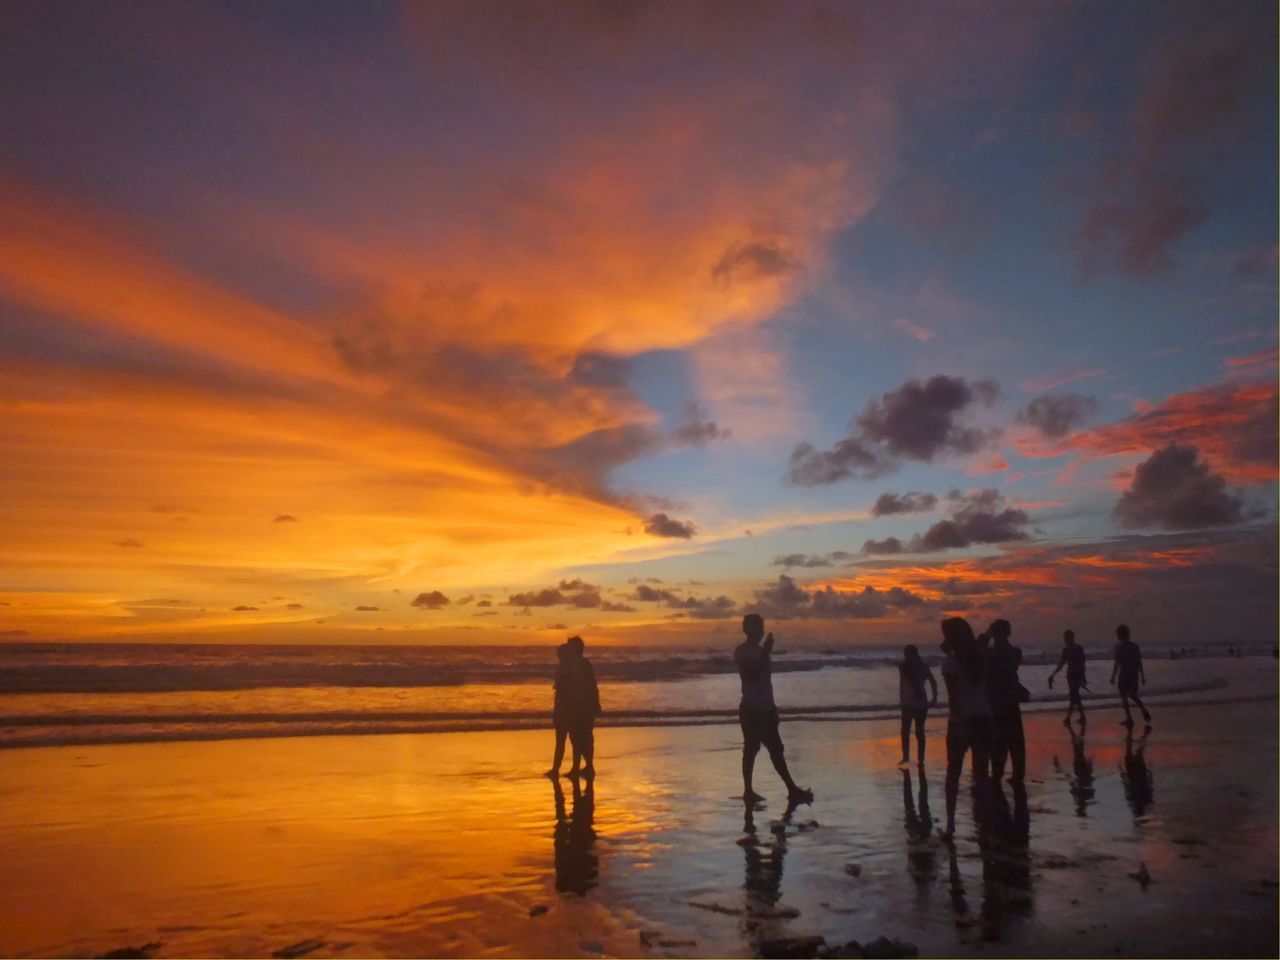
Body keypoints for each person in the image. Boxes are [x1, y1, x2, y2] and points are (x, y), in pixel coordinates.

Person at [734, 613, 813, 806]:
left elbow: (764, 683)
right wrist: (766, 652)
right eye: (756, 628)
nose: (760, 631)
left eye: (761, 627)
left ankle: (791, 789)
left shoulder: (760, 651)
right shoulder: (743, 651)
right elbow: (750, 675)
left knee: (776, 751)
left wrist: (773, 707)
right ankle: (749, 791)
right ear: (746, 630)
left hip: (765, 708)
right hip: (752, 710)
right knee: (752, 750)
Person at [939, 617, 992, 841]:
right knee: (981, 775)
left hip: (962, 720)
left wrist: (959, 723)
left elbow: (955, 698)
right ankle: (986, 824)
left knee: (954, 774)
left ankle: (951, 825)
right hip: (983, 717)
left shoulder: (951, 663)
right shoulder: (980, 658)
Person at [985, 619, 1026, 784]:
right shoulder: (1016, 652)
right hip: (1009, 698)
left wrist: (987, 635)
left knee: (998, 741)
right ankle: (1018, 774)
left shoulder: (989, 654)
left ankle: (997, 774)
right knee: (1015, 739)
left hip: (995, 699)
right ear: (1008, 633)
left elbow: (976, 652)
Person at [559, 636, 601, 779]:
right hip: (577, 706)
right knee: (577, 737)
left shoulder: (583, 665)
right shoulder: (575, 664)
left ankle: (587, 766)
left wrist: (596, 703)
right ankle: (581, 767)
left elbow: (592, 685)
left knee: (584, 737)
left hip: (584, 706)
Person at [898, 644, 938, 766]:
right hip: (920, 702)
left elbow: (903, 686)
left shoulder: (903, 666)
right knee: (918, 731)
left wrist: (934, 697)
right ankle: (919, 759)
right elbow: (933, 681)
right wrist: (934, 697)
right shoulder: (923, 666)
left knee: (907, 731)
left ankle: (907, 757)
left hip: (909, 703)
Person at [1110, 624, 1151, 727]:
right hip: (1133, 673)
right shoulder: (1134, 647)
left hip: (1124, 673)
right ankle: (1143, 709)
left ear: (1119, 635)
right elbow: (1139, 662)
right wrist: (1142, 676)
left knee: (1124, 696)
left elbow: (1117, 663)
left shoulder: (1119, 648)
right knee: (1133, 695)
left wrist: (1113, 676)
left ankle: (1129, 718)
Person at [1046, 629, 1087, 725]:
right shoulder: (1066, 650)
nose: (1065, 639)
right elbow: (1061, 663)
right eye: (1065, 637)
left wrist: (1083, 676)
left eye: (1067, 637)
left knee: (1074, 696)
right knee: (1074, 696)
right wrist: (1053, 674)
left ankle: (1075, 717)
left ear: (1072, 637)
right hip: (1071, 675)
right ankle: (1077, 717)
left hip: (1077, 674)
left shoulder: (1077, 648)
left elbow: (1082, 662)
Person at [546, 642, 573, 778]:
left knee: (561, 741)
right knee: (572, 740)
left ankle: (556, 768)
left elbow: (559, 689)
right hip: (570, 708)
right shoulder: (571, 668)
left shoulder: (563, 668)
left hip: (564, 709)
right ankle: (559, 767)